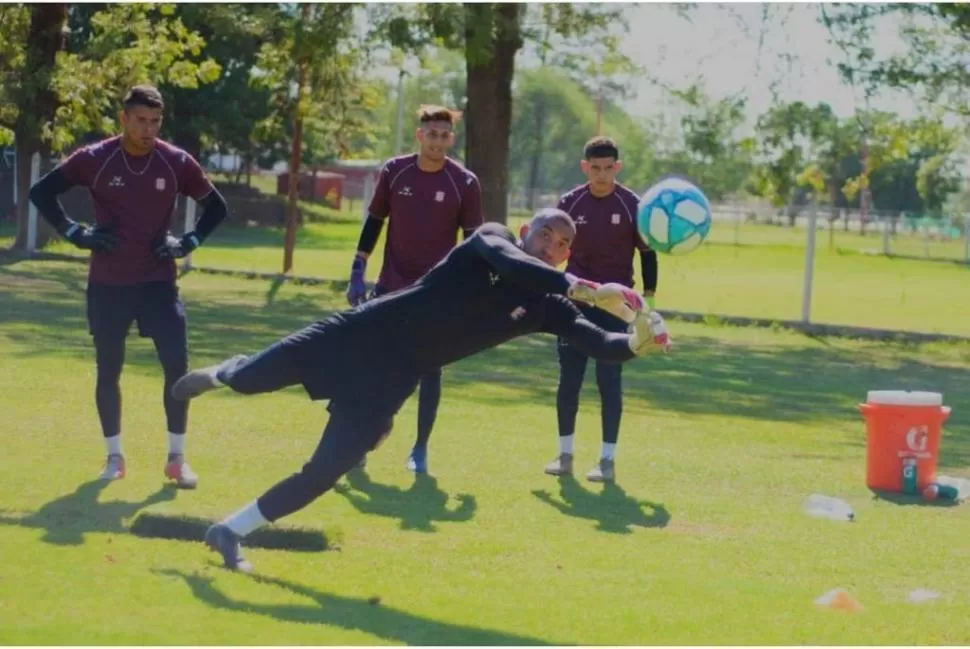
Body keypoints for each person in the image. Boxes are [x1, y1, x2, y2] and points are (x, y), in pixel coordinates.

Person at [171, 209, 671, 572]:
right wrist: (585, 286)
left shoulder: (549, 305)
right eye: (546, 232)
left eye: (563, 243)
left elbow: (600, 342)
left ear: (568, 253)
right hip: (359, 333)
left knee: (324, 471)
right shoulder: (492, 239)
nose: (552, 244)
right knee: (251, 381)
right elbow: (514, 264)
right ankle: (223, 372)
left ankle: (229, 531)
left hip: (393, 376)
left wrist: (636, 343)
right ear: (526, 231)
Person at [28, 84, 229, 488]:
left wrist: (187, 242)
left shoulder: (176, 162)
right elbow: (41, 192)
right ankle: (114, 458)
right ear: (123, 119)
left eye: (155, 122)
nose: (148, 129)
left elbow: (217, 207)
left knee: (177, 368)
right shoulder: (95, 159)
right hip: (109, 284)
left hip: (159, 284)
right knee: (109, 370)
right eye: (141, 120)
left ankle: (177, 458)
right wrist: (73, 232)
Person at [346, 104, 483, 474]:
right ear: (420, 135)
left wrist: (469, 291)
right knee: (376, 365)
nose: (437, 141)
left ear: (450, 139)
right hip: (391, 285)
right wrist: (358, 267)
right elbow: (375, 220)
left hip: (438, 291)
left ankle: (420, 448)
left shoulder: (465, 182)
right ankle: (361, 440)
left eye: (444, 135)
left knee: (430, 370)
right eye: (431, 134)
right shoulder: (395, 171)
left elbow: (474, 242)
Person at [544, 136, 659, 484]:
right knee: (569, 381)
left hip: (616, 308)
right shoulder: (569, 202)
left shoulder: (631, 205)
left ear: (617, 168)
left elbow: (648, 254)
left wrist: (648, 297)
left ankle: (606, 461)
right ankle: (564, 455)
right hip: (575, 304)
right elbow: (552, 250)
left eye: (609, 168)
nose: (602, 174)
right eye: (595, 168)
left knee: (609, 381)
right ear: (585, 168)